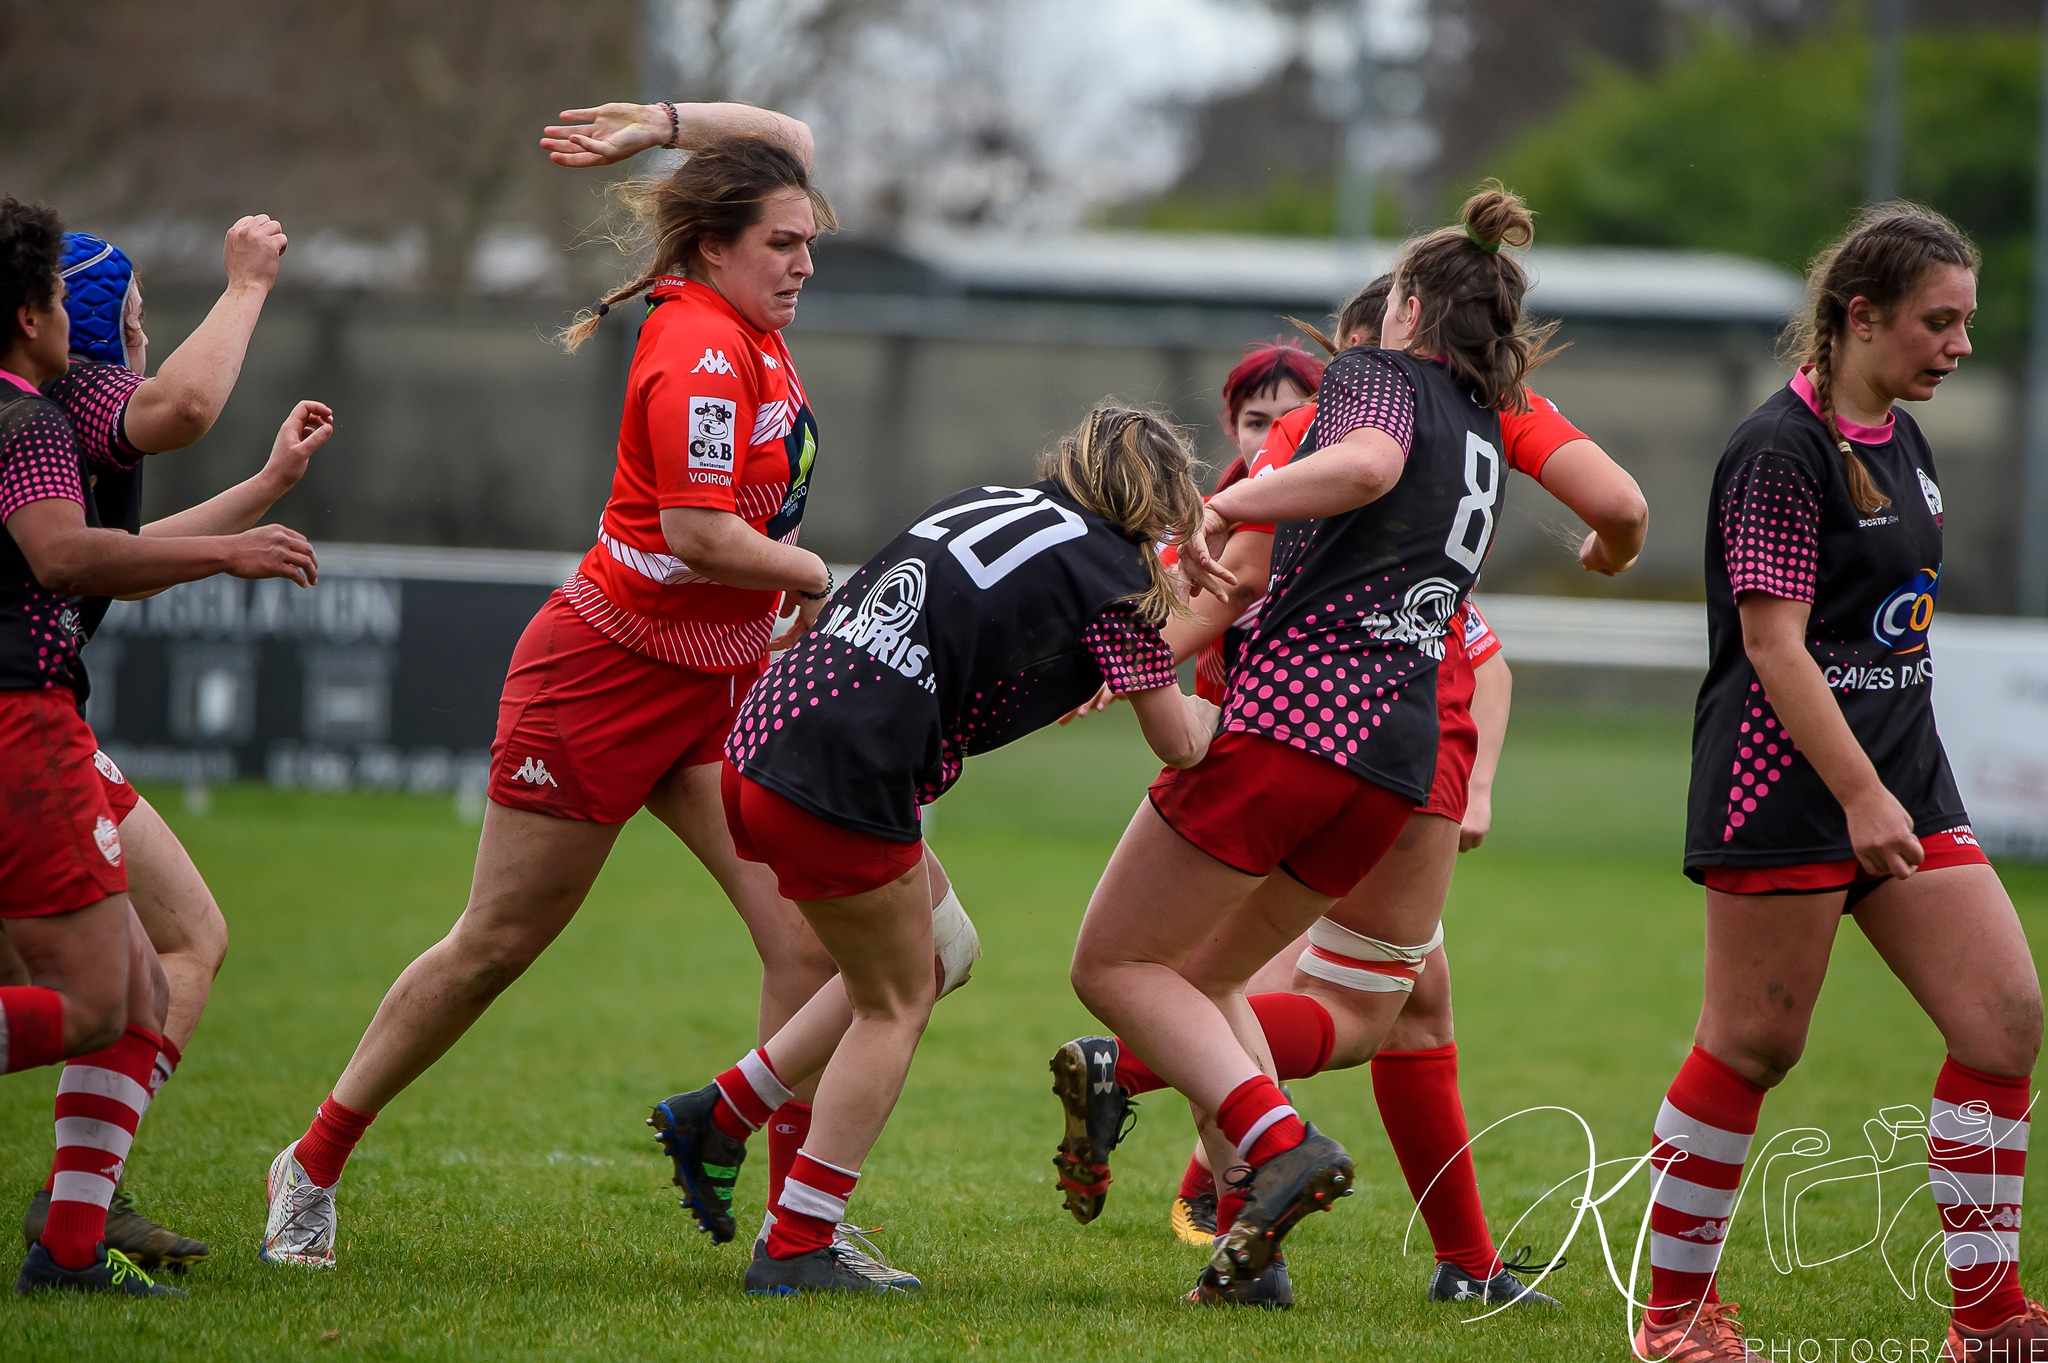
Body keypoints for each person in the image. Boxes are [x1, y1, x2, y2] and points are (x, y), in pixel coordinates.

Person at [259, 104, 847, 1269]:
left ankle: (799, 1231)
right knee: (495, 945)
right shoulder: (696, 350)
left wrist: (665, 123)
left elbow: (788, 131)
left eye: (805, 238)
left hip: (709, 689)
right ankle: (311, 1160)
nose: (804, 261)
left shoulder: (744, 299)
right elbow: (699, 534)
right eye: (782, 242)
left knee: (809, 946)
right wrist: (818, 575)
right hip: (600, 682)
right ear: (716, 247)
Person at [1057, 271, 1647, 1309]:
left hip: (1300, 726)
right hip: (1402, 751)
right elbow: (1619, 508)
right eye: (1254, 417)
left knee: (1143, 970)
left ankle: (1207, 1109)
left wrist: (1192, 538)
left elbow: (1249, 560)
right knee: (1351, 1005)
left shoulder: (1362, 401)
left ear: (1394, 324)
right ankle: (1334, 1251)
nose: (1284, 420)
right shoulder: (1492, 411)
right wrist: (1606, 549)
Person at [653, 403, 1217, 1296]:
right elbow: (1179, 743)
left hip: (765, 737)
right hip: (842, 775)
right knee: (896, 998)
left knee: (944, 947)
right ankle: (798, 1241)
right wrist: (1248, 712)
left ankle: (722, 1112)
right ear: (1160, 506)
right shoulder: (1115, 575)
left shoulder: (999, 499)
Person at [1634, 205, 2043, 1362]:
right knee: (1751, 1046)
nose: (1958, 346)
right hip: (1785, 783)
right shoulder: (1777, 449)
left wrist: (1892, 787)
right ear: (1857, 317)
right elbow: (1773, 646)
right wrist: (1862, 796)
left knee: (2002, 1021)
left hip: (1901, 775)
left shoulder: (1903, 440)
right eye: (1938, 321)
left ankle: (1988, 1319)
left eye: (1966, 322)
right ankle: (1671, 1320)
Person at [0, 195, 318, 1298]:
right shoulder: (51, 402)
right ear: (57, 323)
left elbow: (111, 546)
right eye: (131, 318)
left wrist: (260, 498)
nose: (147, 342)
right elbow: (175, 413)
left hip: (45, 716)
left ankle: (76, 1228)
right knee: (110, 985)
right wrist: (246, 283)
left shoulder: (43, 408)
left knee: (150, 963)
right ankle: (78, 1208)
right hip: (21, 719)